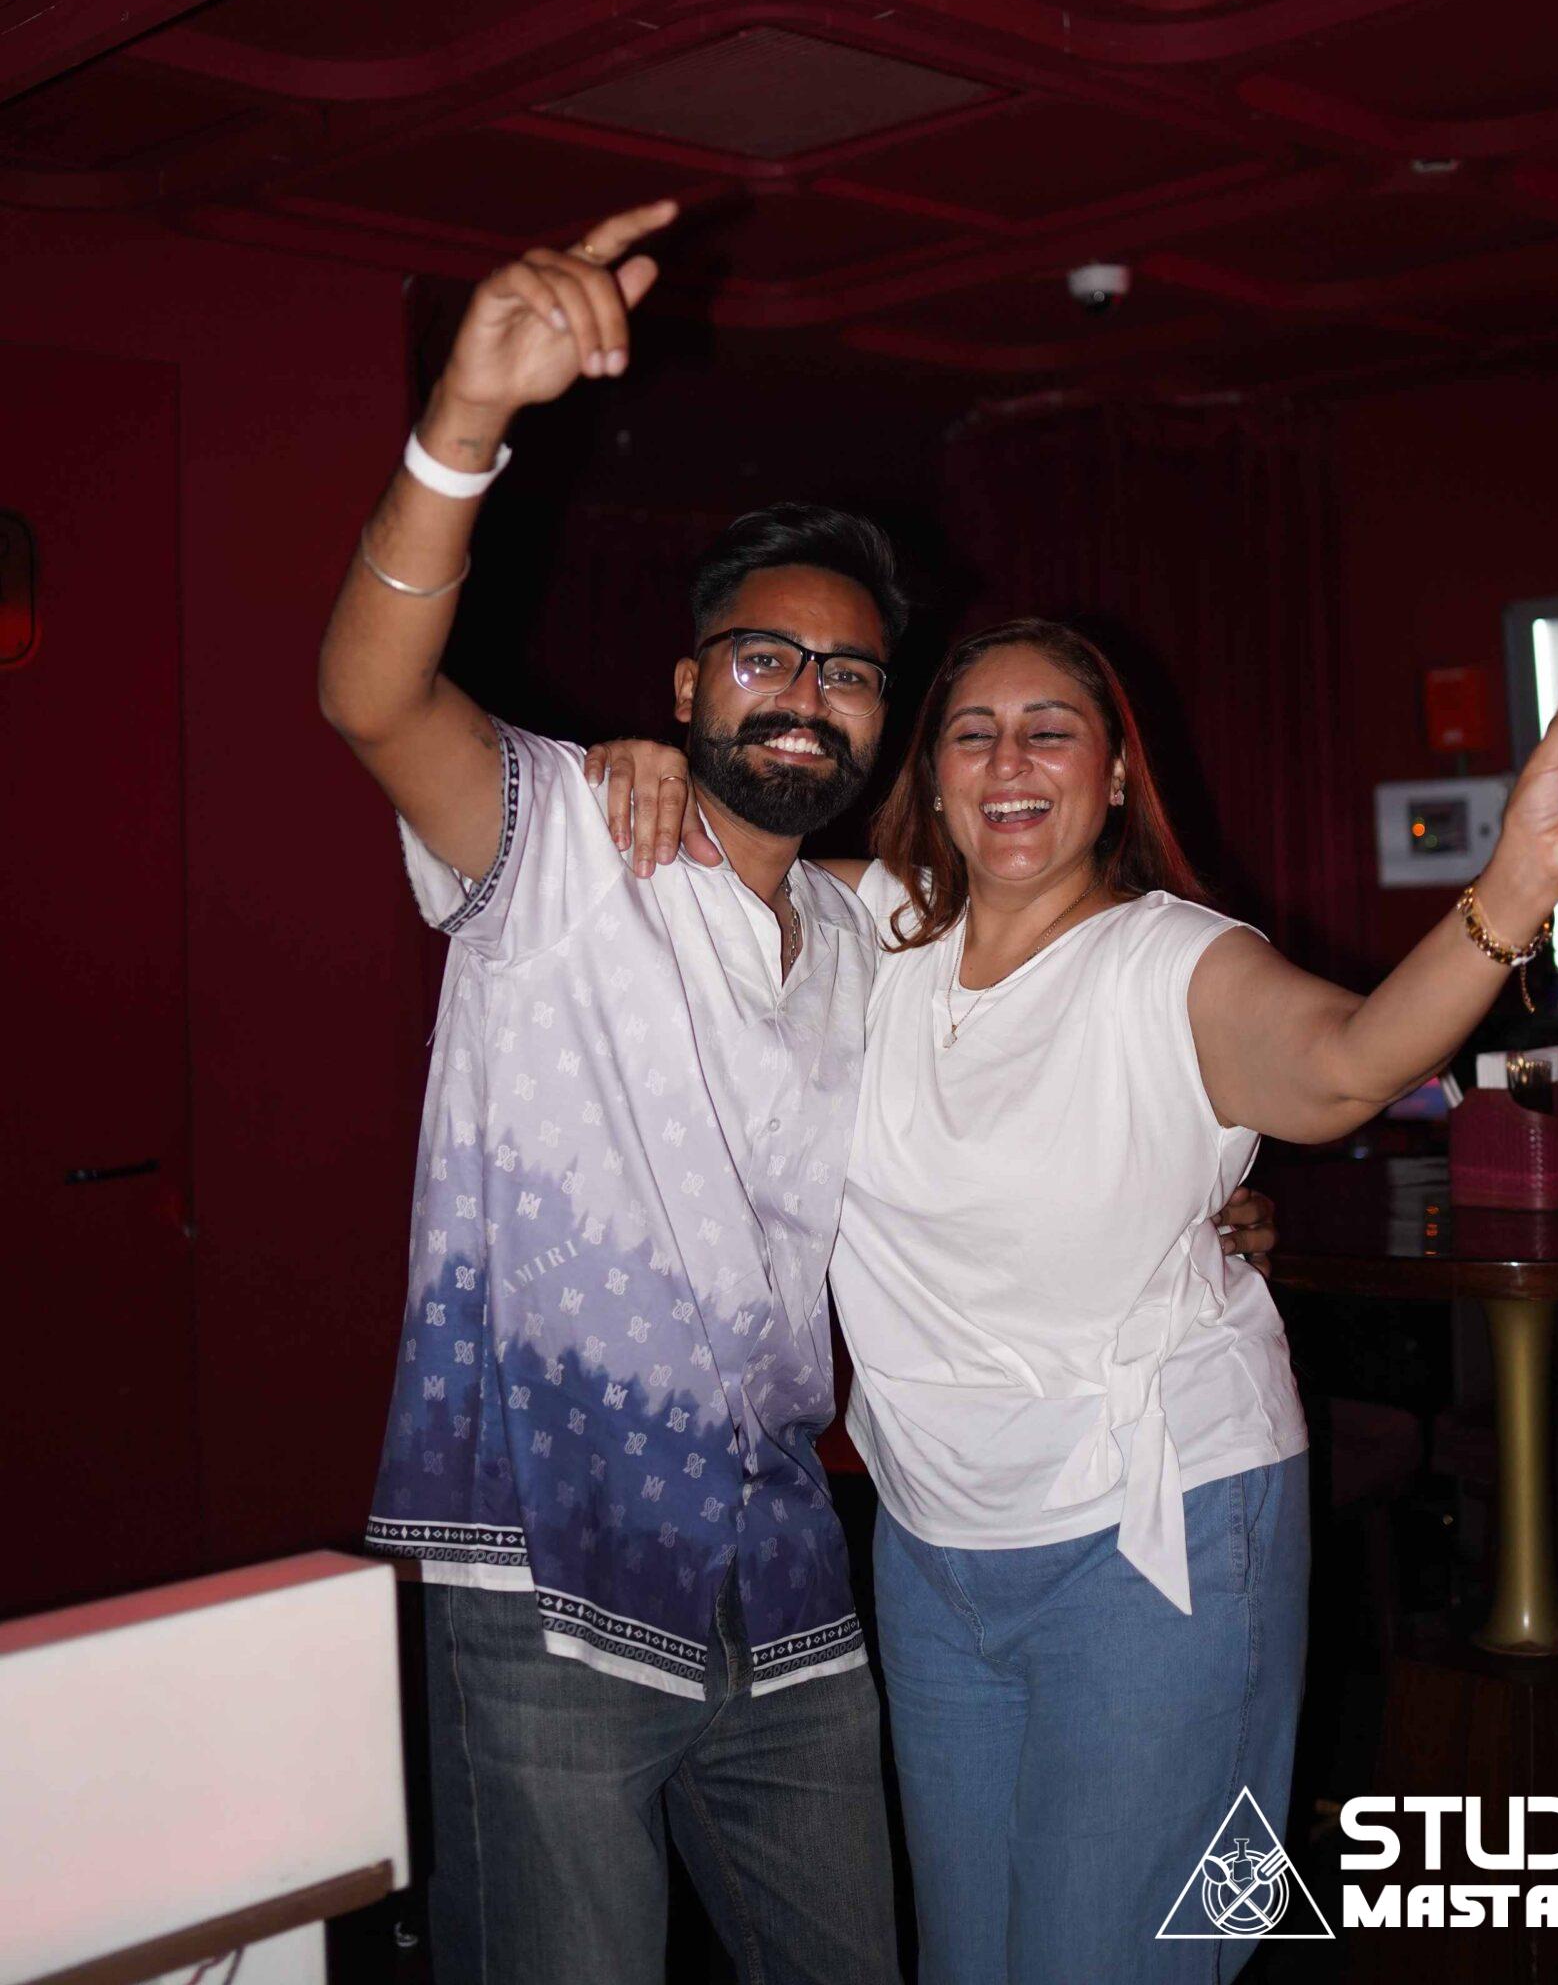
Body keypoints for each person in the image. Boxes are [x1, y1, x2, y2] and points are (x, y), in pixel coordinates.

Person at [318, 197, 1287, 1985]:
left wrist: (1201, 1191)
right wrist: (464, 420)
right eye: (763, 658)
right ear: (689, 682)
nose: (803, 697)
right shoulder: (557, 842)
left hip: (787, 1581)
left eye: (847, 676)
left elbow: (1057, 1046)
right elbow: (374, 696)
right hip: (545, 1569)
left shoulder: (871, 935)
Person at [605, 618, 1558, 1985]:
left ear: (1110, 779)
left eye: (1050, 731)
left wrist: (1518, 880)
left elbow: (1346, 1064)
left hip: (1156, 1533)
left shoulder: (1175, 963)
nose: (1008, 761)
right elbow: (692, 865)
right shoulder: (865, 930)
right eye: (972, 733)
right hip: (933, 1548)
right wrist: (644, 768)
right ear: (929, 778)